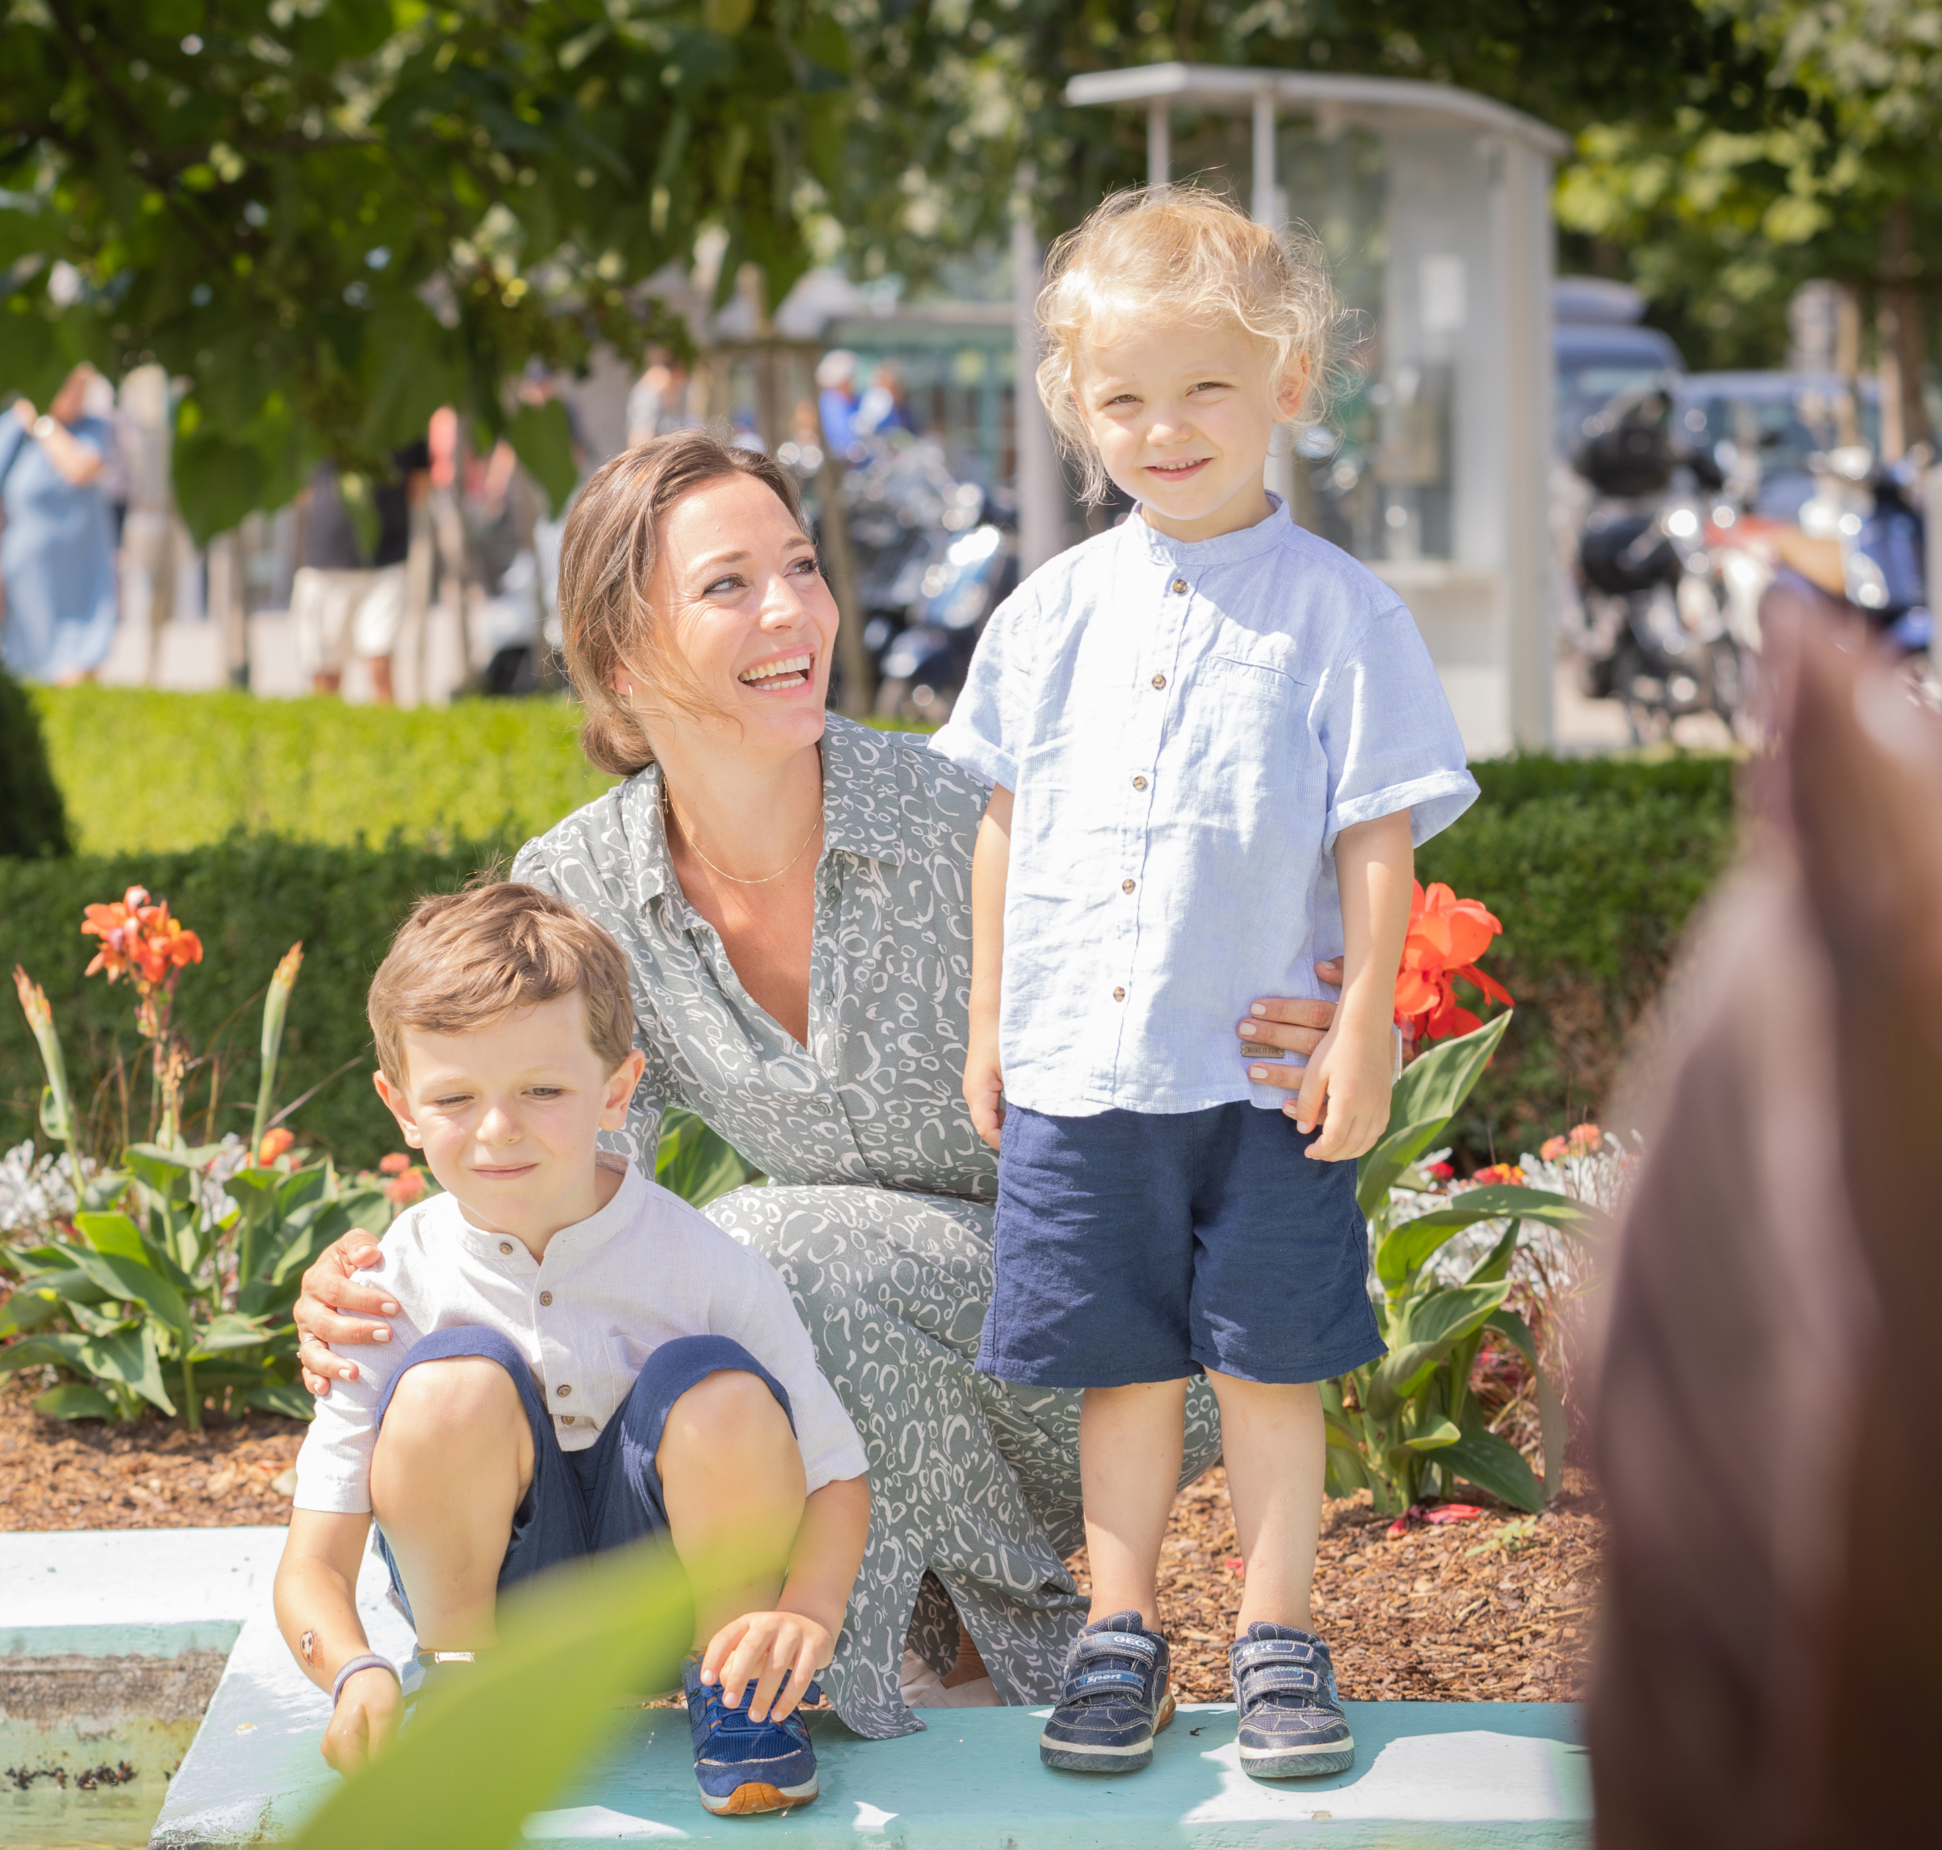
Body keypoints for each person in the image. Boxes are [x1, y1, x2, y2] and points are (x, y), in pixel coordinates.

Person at [292, 430, 1360, 1739]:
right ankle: (871, 1653)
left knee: (769, 1251)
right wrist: (379, 1284)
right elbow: (532, 1140)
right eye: (727, 585)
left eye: (800, 566)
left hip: (1117, 1344)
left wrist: (1338, 1019)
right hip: (847, 1347)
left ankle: (910, 1672)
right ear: (622, 660)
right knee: (750, 1296)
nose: (793, 609)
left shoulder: (965, 818)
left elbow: (1216, 955)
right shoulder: (580, 889)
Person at [940, 185, 1478, 1781]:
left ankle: (1276, 1633)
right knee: (1120, 1363)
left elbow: (1374, 834)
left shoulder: (1342, 615)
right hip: (1082, 1071)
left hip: (1255, 1080)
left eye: (1205, 390)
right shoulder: (1046, 615)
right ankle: (1119, 1628)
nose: (1164, 428)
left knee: (1269, 1360)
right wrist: (988, 1021)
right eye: (1124, 399)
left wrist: (1370, 1012)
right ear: (1075, 408)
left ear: (1287, 384)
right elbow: (1005, 827)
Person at [271, 882, 870, 1816]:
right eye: (455, 1098)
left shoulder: (704, 1265)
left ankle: (742, 1694)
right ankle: (465, 1691)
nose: (498, 1130)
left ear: (617, 1090)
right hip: (496, 1611)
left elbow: (834, 1476)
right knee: (448, 1387)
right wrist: (352, 1670)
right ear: (399, 1105)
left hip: (669, 1603)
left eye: (542, 1091)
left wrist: (808, 1616)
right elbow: (313, 1561)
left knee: (714, 1387)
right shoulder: (386, 1290)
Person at [0, 366, 122, 684]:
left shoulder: (94, 429)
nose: (77, 396)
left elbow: (80, 469)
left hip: (83, 574)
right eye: (69, 386)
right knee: (30, 671)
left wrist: (41, 424)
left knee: (81, 667)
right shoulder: (11, 430)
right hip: (28, 578)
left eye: (82, 388)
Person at [291, 445, 427, 700]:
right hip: (326, 559)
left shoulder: (405, 417)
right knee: (325, 674)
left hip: (387, 557)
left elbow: (418, 485)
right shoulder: (319, 412)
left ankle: (388, 737)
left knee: (380, 665)